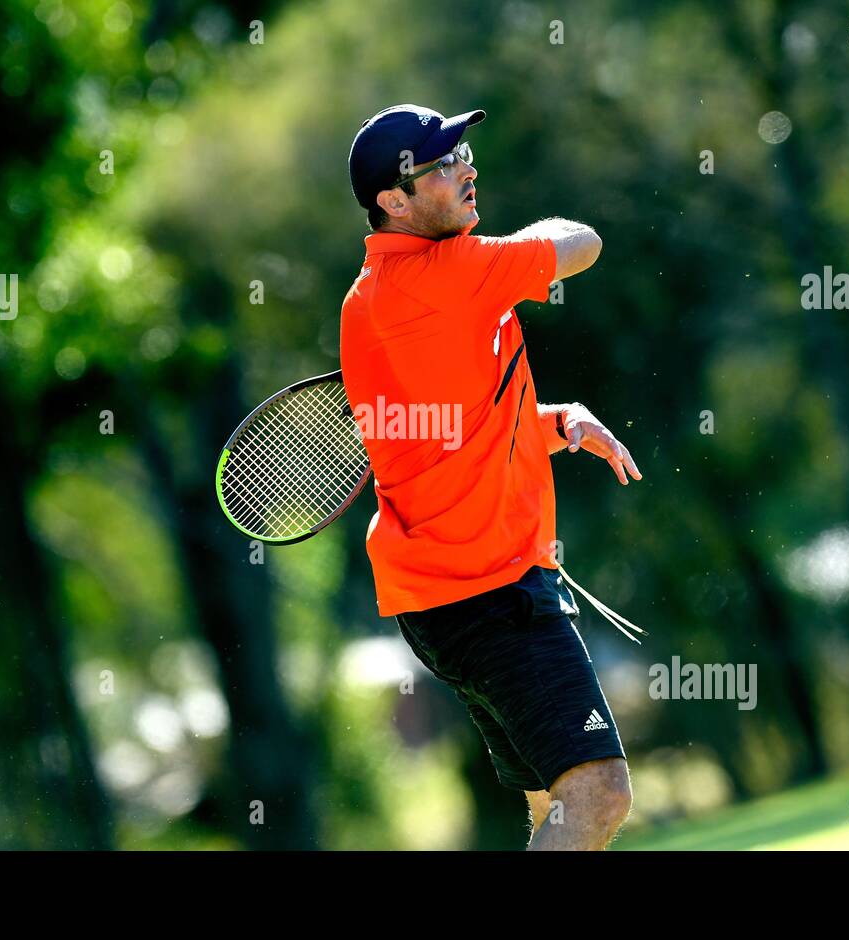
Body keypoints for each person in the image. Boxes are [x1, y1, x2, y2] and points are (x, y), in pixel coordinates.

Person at [339, 104, 645, 850]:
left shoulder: (367, 298)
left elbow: (446, 436)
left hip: (445, 602)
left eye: (464, 153)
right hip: (493, 591)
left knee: (553, 805)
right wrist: (527, 243)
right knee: (598, 793)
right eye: (441, 165)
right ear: (394, 201)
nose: (467, 170)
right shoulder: (454, 275)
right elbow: (585, 242)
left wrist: (554, 423)